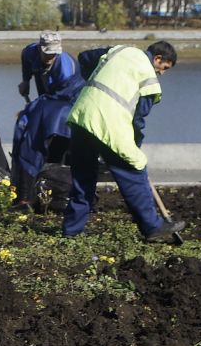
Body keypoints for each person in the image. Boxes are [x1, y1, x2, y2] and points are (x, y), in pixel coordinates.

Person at [62, 41, 181, 243]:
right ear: (158, 59)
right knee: (135, 169)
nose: (162, 73)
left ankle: (72, 229)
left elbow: (84, 57)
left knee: (84, 176)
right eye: (164, 68)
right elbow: (138, 120)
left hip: (81, 116)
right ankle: (153, 227)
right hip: (109, 124)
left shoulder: (119, 50)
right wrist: (135, 147)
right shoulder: (149, 78)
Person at [12, 30, 83, 210]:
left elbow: (59, 98)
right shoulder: (30, 52)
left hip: (68, 101)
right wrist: (25, 81)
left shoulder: (67, 69)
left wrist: (35, 107)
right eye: (47, 53)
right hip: (48, 97)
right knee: (25, 127)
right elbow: (26, 62)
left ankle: (56, 185)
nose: (50, 57)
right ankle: (25, 192)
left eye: (54, 54)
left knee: (43, 131)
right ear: (39, 48)